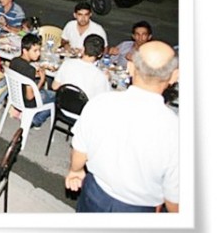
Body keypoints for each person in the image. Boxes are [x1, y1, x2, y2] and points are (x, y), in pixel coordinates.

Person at [65, 41, 179, 213]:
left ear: (130, 67)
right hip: (137, 208)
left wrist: (75, 171)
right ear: (174, 76)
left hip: (94, 194)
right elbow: (174, 198)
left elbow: (79, 149)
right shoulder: (175, 129)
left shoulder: (100, 103)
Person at [8, 33, 55, 129]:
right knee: (56, 98)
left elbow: (22, 74)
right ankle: (35, 120)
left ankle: (19, 112)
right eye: (35, 51)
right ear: (25, 51)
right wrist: (42, 80)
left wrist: (35, 75)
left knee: (48, 93)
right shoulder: (30, 70)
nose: (38, 54)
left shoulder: (14, 61)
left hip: (15, 96)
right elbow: (30, 97)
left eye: (39, 50)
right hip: (27, 102)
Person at [51, 34, 111, 100]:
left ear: (83, 49)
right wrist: (106, 80)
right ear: (100, 54)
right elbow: (103, 99)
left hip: (62, 104)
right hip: (85, 106)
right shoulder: (100, 76)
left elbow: (54, 87)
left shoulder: (67, 63)